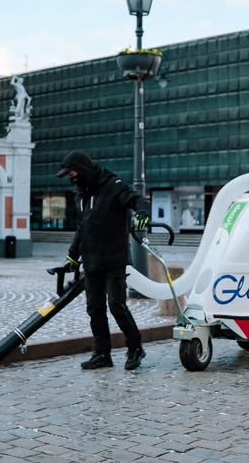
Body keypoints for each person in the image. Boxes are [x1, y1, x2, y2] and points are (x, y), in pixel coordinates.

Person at [57, 150, 151, 370]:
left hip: (114, 258)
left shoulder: (112, 185)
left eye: (71, 172)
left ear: (82, 169)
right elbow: (83, 227)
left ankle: (135, 347)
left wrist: (142, 214)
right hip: (91, 262)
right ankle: (102, 354)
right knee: (94, 309)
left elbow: (138, 200)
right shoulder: (80, 194)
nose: (70, 177)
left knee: (116, 305)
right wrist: (73, 254)